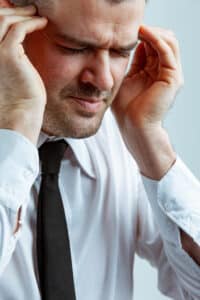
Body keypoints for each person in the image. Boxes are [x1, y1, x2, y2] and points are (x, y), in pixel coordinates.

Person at [0, 0, 199, 299]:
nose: (104, 80)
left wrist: (150, 142)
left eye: (122, 52)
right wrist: (18, 125)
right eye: (74, 48)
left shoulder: (119, 142)